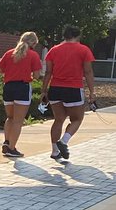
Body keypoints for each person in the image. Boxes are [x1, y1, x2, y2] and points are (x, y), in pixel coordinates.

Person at [41, 25, 97, 162]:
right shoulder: (84, 50)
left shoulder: (54, 50)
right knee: (77, 119)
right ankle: (64, 141)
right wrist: (92, 92)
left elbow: (48, 72)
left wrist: (44, 90)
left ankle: (55, 151)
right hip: (73, 88)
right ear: (78, 36)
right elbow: (88, 72)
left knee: (58, 119)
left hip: (55, 88)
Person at [0, 31, 42, 158]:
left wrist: (11, 71)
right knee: (18, 121)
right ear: (33, 43)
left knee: (10, 117)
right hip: (22, 87)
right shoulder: (33, 55)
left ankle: (6, 142)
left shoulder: (9, 53)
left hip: (8, 86)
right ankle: (11, 148)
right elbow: (37, 75)